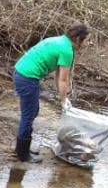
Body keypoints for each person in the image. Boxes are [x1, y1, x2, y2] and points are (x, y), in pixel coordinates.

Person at [12, 23, 90, 163]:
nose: (87, 44)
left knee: (32, 111)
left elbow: (59, 75)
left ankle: (22, 149)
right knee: (28, 115)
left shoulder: (59, 40)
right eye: (86, 40)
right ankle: (22, 155)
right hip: (27, 77)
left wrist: (62, 97)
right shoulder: (67, 51)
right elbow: (63, 79)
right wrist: (63, 100)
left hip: (21, 72)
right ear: (78, 39)